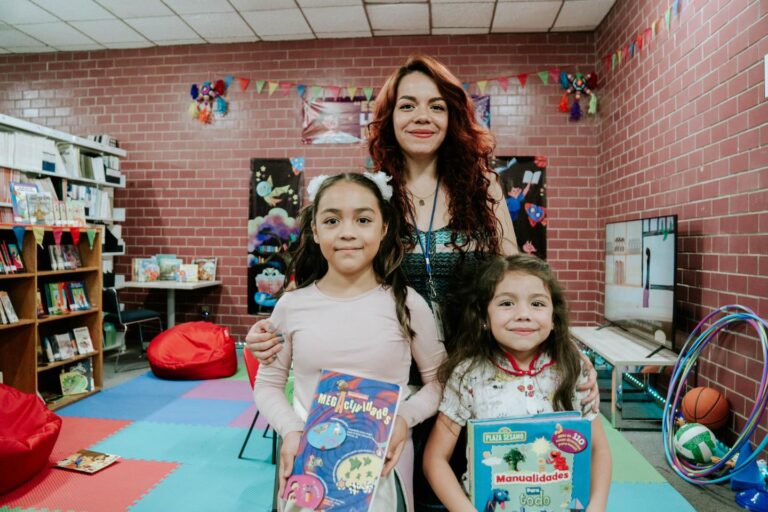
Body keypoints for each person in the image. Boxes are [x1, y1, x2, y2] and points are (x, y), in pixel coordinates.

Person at [247, 54, 599, 510]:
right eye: (408, 105)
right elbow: (330, 269)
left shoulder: (482, 184)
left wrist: (564, 345)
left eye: (436, 106)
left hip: (477, 372)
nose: (422, 117)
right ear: (389, 116)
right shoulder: (376, 189)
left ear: (452, 116)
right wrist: (271, 329)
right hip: (393, 386)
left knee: (471, 494)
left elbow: (518, 274)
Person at [253, 172, 447, 512]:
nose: (347, 232)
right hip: (308, 464)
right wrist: (291, 432)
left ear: (383, 227)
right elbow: (268, 385)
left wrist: (404, 419)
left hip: (385, 467)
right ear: (315, 230)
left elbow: (439, 381)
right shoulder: (291, 305)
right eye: (331, 220)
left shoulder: (408, 304)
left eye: (363, 219)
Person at [422, 254, 611, 512]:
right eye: (507, 303)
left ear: (554, 317)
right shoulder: (469, 375)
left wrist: (597, 505)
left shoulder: (572, 369)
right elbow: (435, 458)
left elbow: (599, 449)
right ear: (483, 318)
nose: (523, 314)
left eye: (537, 303)